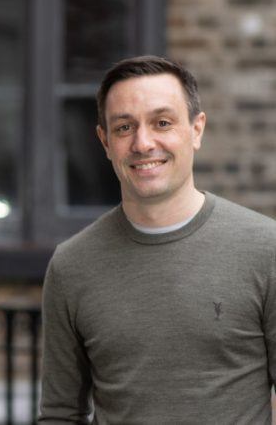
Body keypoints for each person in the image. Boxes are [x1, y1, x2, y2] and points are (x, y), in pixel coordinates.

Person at [39, 55, 276, 423]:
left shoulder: (266, 249)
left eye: (162, 122)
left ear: (196, 130)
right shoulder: (72, 266)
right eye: (124, 128)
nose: (143, 143)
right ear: (105, 141)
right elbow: (59, 413)